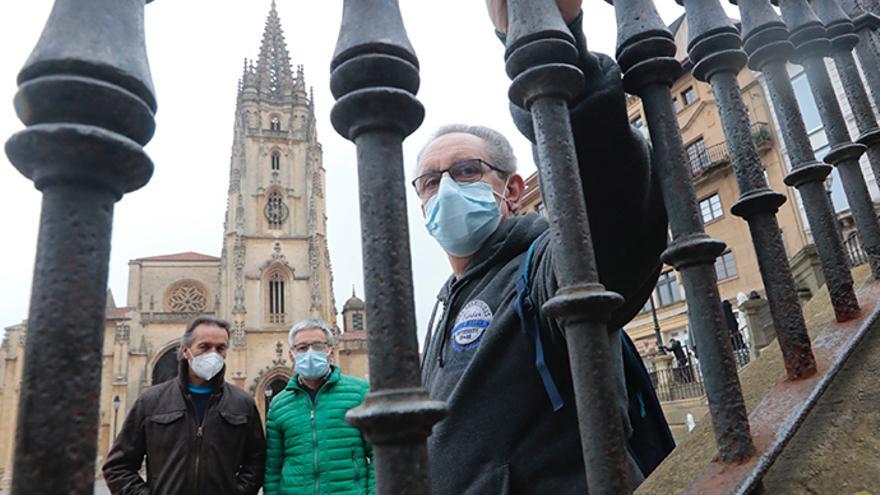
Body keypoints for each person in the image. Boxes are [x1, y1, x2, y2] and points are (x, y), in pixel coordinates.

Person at [415, 1, 675, 492]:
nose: (445, 189)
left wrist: (551, 50)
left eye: (467, 171)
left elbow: (609, 214)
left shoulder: (542, 268)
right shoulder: (449, 300)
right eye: (430, 181)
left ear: (512, 190)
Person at [103, 317, 266, 495]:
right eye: (204, 346)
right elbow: (117, 466)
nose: (213, 354)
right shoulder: (150, 401)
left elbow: (257, 461)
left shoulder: (243, 403)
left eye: (220, 348)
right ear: (186, 350)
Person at [264, 317, 374, 495]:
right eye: (302, 348)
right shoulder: (279, 404)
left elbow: (378, 454)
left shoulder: (359, 393)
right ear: (292, 354)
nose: (310, 353)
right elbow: (272, 469)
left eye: (318, 346)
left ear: (330, 350)